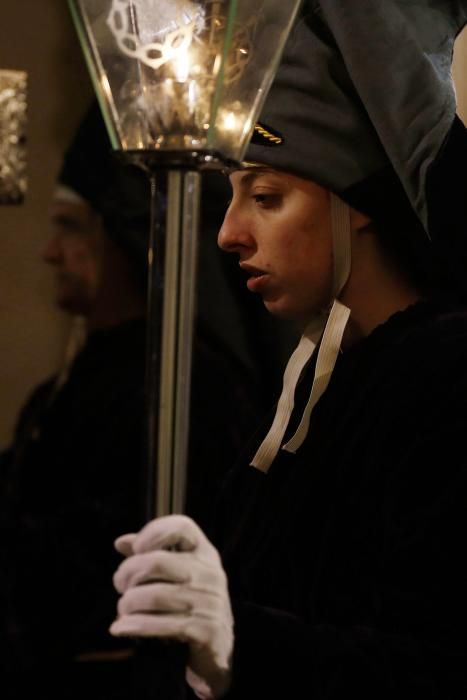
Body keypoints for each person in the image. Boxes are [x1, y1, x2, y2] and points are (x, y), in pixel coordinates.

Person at [108, 2, 467, 699]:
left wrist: (240, 642)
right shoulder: (315, 379)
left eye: (266, 197)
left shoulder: (444, 377)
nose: (228, 233)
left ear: (355, 204)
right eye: (234, 196)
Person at [0, 101, 288, 699]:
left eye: (72, 228)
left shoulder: (184, 384)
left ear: (125, 237)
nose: (52, 253)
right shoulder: (76, 378)